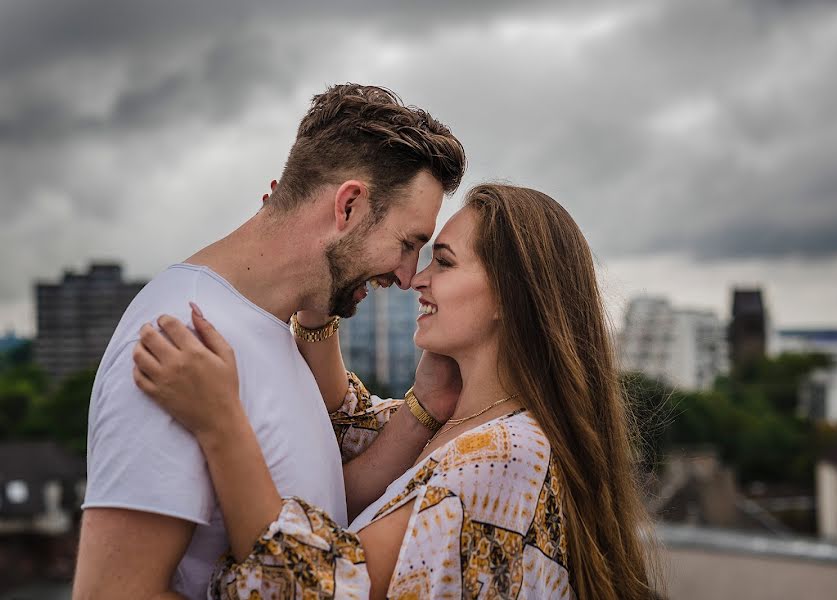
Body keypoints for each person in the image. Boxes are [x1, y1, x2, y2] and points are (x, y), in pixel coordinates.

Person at [134, 184, 658, 599]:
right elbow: (343, 426)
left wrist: (220, 423)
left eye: (444, 263)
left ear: (510, 297)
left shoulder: (506, 455)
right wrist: (321, 281)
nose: (416, 279)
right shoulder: (469, 420)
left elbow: (310, 587)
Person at [73, 84, 467, 600]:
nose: (405, 274)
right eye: (407, 243)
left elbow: (320, 511)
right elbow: (113, 594)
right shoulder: (182, 336)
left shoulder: (268, 330)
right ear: (348, 206)